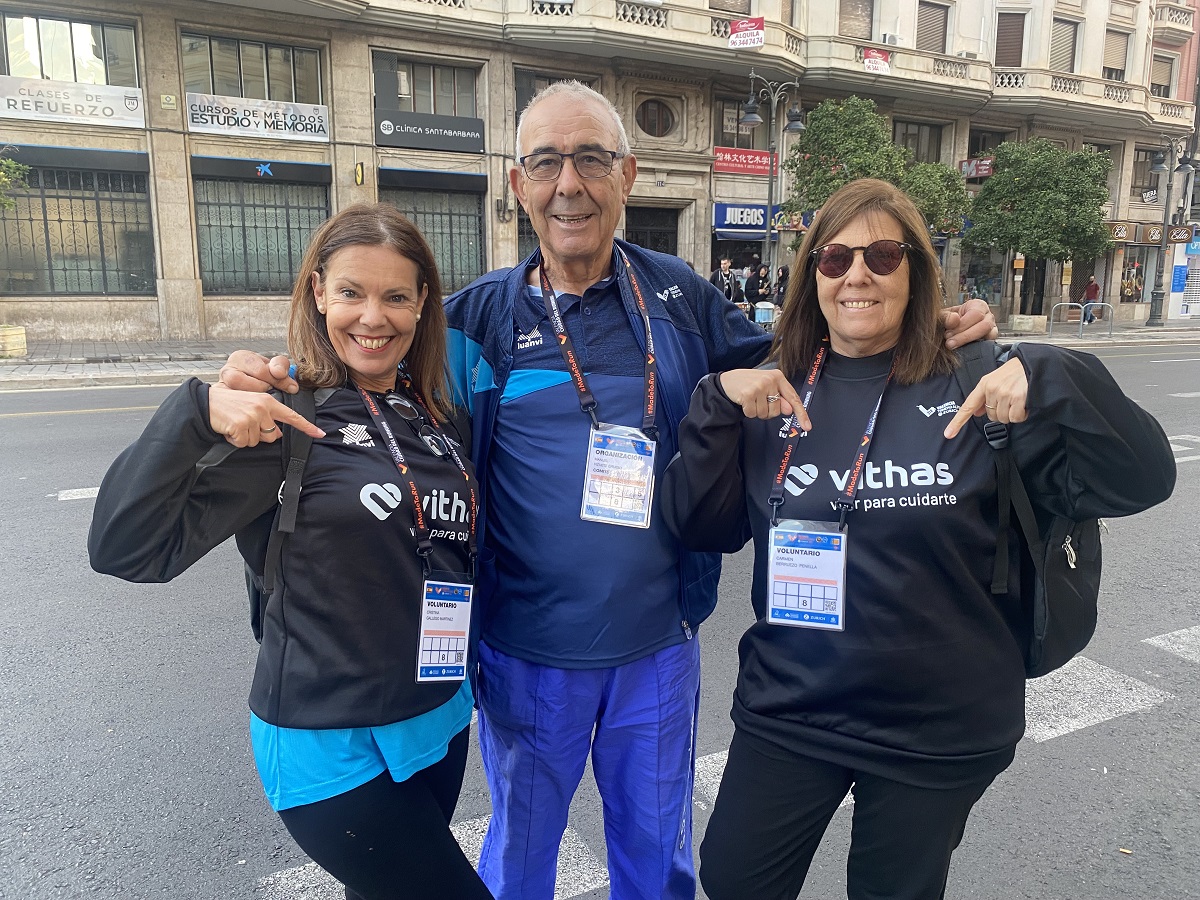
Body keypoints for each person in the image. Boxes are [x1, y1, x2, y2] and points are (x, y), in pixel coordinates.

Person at [216, 89, 999, 900]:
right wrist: (258, 381)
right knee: (520, 859)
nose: (570, 185)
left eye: (591, 159)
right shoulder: (478, 317)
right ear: (518, 185)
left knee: (657, 861)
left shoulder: (681, 296)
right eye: (547, 163)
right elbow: (366, 375)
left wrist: (927, 323)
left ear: (626, 175)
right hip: (522, 652)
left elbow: (811, 359)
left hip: (658, 650)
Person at [660, 179, 1177, 900]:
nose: (857, 274)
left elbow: (1145, 480)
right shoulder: (775, 387)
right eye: (835, 258)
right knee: (733, 878)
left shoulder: (980, 375)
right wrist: (714, 405)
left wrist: (1056, 370)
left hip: (936, 727)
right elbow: (698, 527)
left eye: (883, 254)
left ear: (917, 270)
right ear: (812, 274)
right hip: (792, 708)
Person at [88, 205, 493, 900]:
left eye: (396, 296)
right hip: (327, 743)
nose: (374, 316)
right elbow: (127, 550)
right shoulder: (284, 417)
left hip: (436, 721)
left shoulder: (437, 415)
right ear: (317, 294)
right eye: (351, 293)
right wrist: (194, 412)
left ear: (424, 304)